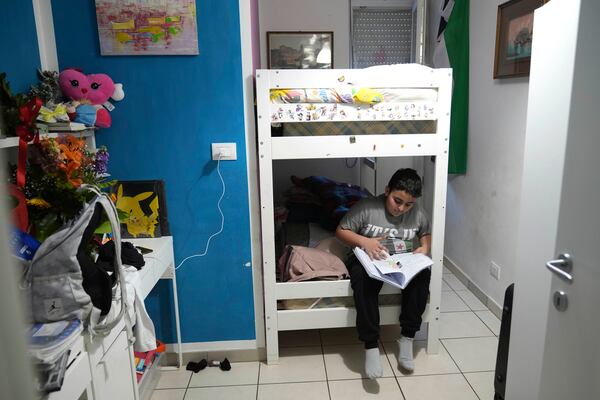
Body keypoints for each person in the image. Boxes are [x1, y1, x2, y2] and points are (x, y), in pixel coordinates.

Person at [335, 168, 431, 378]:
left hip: (398, 259)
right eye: (397, 201)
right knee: (362, 280)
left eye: (408, 204)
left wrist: (424, 247)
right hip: (367, 258)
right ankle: (371, 346)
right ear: (387, 190)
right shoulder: (366, 207)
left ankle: (406, 338)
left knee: (423, 275)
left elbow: (425, 233)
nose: (402, 208)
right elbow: (341, 231)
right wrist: (364, 241)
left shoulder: (418, 213)